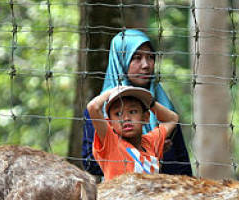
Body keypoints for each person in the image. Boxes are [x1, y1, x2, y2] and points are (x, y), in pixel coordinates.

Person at [82, 29, 192, 178]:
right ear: (121, 60)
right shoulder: (101, 110)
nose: (146, 65)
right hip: (120, 192)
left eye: (150, 57)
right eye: (137, 58)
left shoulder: (162, 105)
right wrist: (135, 151)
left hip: (164, 195)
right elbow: (90, 163)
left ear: (146, 115)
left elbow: (182, 164)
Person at [87, 85, 179, 180]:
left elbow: (173, 119)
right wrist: (111, 92)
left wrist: (150, 103)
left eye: (133, 111)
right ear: (110, 123)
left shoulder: (151, 142)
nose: (126, 118)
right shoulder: (111, 144)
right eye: (118, 114)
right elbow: (93, 107)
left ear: (146, 117)